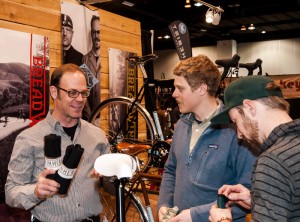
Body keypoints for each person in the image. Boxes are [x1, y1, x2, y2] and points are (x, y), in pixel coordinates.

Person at [156, 55, 257, 222]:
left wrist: (195, 215)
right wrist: (164, 204)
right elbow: (171, 170)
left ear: (202, 89)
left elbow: (248, 195)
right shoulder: (182, 125)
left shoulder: (236, 130)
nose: (174, 94)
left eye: (180, 89)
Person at [5, 64, 110, 222]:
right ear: (54, 92)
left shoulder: (98, 136)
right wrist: (35, 191)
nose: (80, 99)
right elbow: (11, 192)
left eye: (84, 93)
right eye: (72, 93)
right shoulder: (29, 138)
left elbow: (111, 188)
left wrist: (112, 176)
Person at [209, 75, 300, 222]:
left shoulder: (272, 162)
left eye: (235, 121)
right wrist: (257, 202)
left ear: (250, 107)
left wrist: (222, 220)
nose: (239, 134)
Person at [82, 15, 101, 120]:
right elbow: (84, 89)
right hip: (91, 118)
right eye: (94, 32)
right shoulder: (85, 59)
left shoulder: (107, 58)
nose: (96, 36)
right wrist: (90, 116)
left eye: (99, 32)